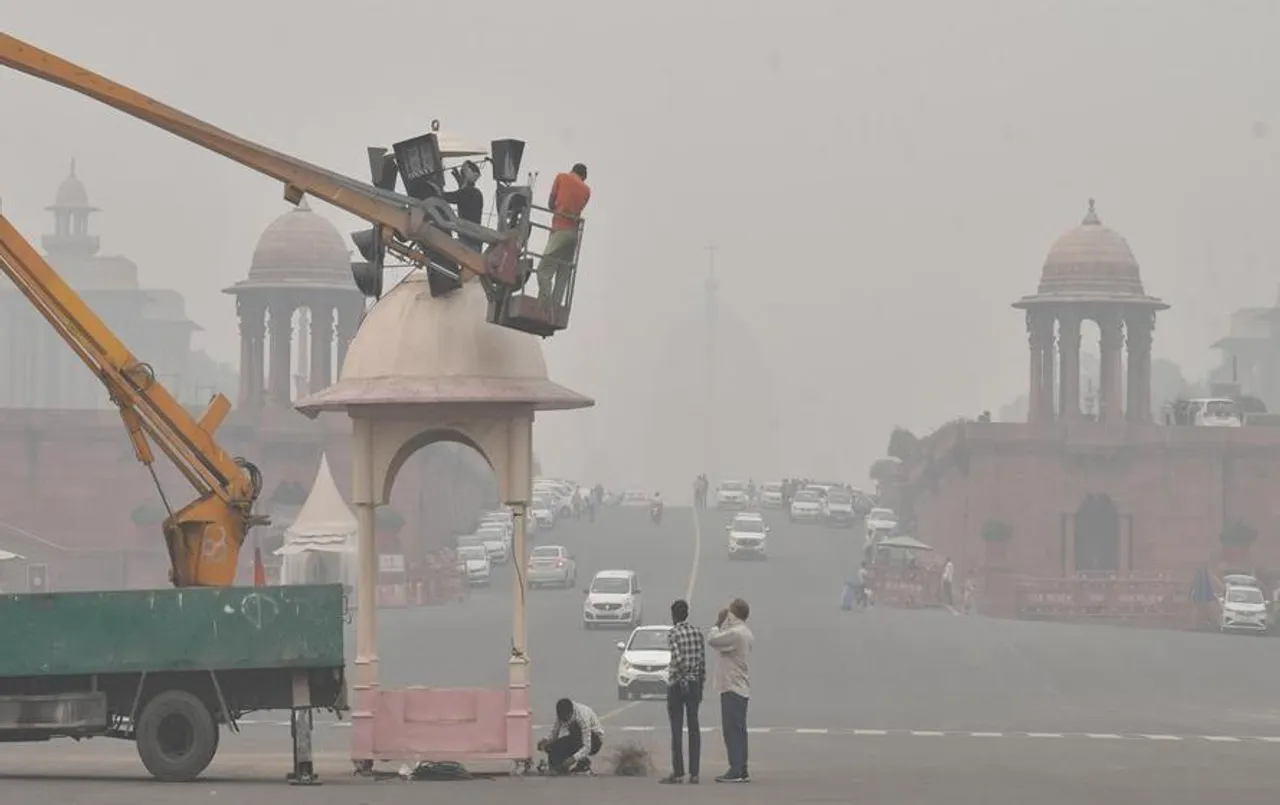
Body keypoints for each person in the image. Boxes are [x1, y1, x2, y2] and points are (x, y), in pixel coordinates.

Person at [660, 599, 706, 784]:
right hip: (694, 684)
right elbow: (702, 661)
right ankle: (695, 773)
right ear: (687, 614)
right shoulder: (697, 632)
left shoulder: (673, 633)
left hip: (677, 684)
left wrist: (683, 678)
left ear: (673, 616)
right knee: (694, 727)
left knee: (676, 729)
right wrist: (699, 685)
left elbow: (678, 659)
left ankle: (678, 772)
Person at [708, 598, 753, 783]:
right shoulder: (745, 631)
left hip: (732, 686)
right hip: (739, 686)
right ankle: (742, 768)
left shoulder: (736, 633)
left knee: (732, 731)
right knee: (739, 731)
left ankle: (735, 769)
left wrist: (718, 622)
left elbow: (713, 640)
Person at [536, 163, 590, 307]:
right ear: (584, 177)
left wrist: (558, 207)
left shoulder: (561, 177)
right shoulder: (587, 190)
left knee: (543, 270)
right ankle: (555, 307)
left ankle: (544, 306)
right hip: (573, 234)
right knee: (563, 273)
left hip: (560, 230)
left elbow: (551, 203)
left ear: (572, 170)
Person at [537, 697, 604, 774]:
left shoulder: (582, 717)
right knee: (552, 746)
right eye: (562, 719)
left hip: (594, 741)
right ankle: (559, 767)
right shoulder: (561, 714)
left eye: (566, 719)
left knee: (575, 731)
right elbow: (554, 734)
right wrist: (545, 741)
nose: (564, 722)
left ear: (571, 714)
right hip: (575, 738)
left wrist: (573, 759)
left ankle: (583, 763)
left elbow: (587, 747)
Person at [443, 160, 485, 251]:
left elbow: (451, 197)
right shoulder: (476, 193)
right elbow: (462, 194)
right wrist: (459, 180)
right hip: (475, 240)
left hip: (468, 241)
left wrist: (436, 192)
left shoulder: (467, 193)